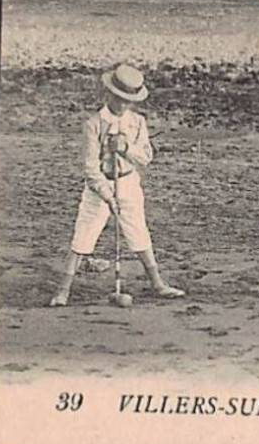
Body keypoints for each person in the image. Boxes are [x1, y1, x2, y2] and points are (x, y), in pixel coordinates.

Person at [49, 64, 185, 307]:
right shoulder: (93, 124)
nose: (123, 105)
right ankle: (63, 291)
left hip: (129, 183)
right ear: (109, 94)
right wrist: (106, 195)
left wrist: (124, 148)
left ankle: (158, 284)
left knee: (138, 232)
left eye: (128, 101)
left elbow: (146, 157)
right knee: (84, 235)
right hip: (99, 188)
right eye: (119, 98)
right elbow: (91, 168)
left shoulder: (138, 123)